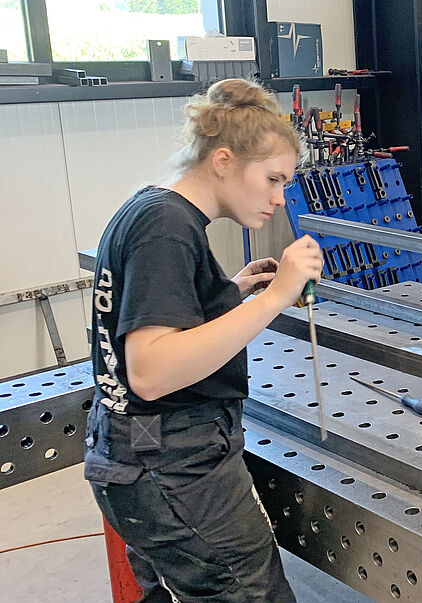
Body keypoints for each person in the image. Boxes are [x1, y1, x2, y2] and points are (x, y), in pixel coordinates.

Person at [83, 78, 323, 602]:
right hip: (172, 469)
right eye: (273, 179)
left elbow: (158, 312)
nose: (279, 198)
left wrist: (228, 293)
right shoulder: (166, 227)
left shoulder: (153, 208)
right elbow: (151, 371)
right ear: (223, 160)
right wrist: (275, 297)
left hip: (141, 455)